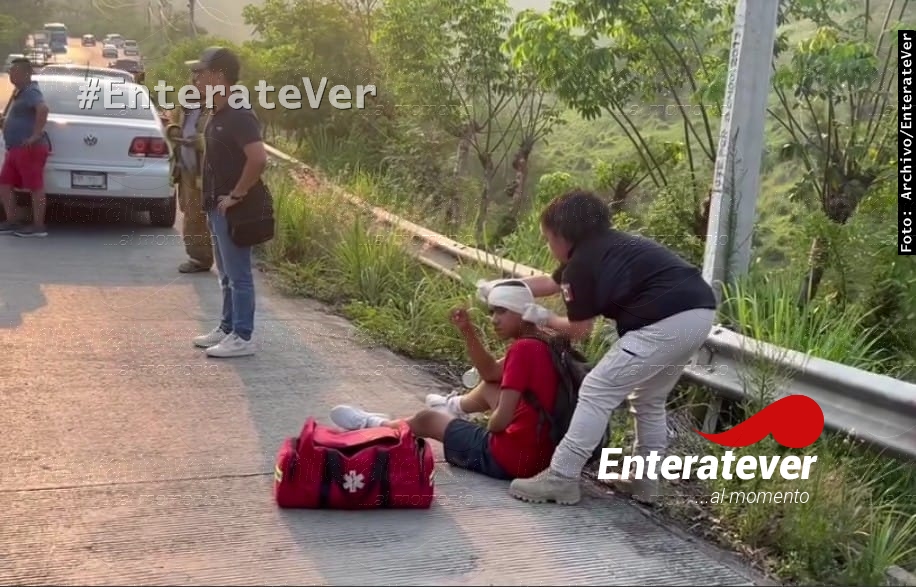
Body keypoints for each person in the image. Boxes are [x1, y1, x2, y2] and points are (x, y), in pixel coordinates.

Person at [493, 189, 718, 506]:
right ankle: (645, 483)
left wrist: (543, 316)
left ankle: (561, 477)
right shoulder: (607, 246)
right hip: (699, 313)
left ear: (563, 236)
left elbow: (580, 330)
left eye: (548, 238)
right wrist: (501, 288)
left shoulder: (581, 265)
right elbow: (551, 283)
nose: (548, 246)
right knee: (649, 399)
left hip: (664, 321)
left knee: (597, 389)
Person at [329, 280, 560, 481]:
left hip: (509, 461)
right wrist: (467, 330)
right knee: (492, 386)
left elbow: (500, 422)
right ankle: (452, 408)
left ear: (522, 312)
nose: (494, 320)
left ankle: (375, 425)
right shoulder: (547, 343)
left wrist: (490, 425)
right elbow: (490, 373)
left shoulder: (522, 349)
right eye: (492, 312)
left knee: (427, 419)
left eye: (502, 311)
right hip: (540, 458)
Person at [190, 47, 268, 358]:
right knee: (225, 275)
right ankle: (227, 327)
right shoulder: (218, 111)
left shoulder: (239, 114)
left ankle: (243, 336)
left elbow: (258, 158)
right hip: (215, 205)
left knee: (239, 276)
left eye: (201, 72)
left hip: (234, 209)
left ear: (219, 75)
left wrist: (237, 194)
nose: (196, 78)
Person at [165, 64, 214, 274]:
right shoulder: (187, 103)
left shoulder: (218, 107)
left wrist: (203, 142)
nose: (195, 82)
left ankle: (206, 258)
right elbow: (174, 122)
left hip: (208, 172)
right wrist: (173, 131)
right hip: (187, 169)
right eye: (194, 78)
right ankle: (199, 257)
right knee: (190, 212)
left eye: (200, 78)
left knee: (207, 216)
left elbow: (225, 139)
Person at [0, 57, 51, 237]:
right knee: (4, 183)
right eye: (10, 71)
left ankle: (38, 226)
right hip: (15, 148)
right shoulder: (20, 92)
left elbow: (43, 109)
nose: (11, 74)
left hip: (29, 148)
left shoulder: (31, 91)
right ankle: (12, 221)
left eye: (14, 71)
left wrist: (35, 135)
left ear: (26, 73)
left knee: (35, 187)